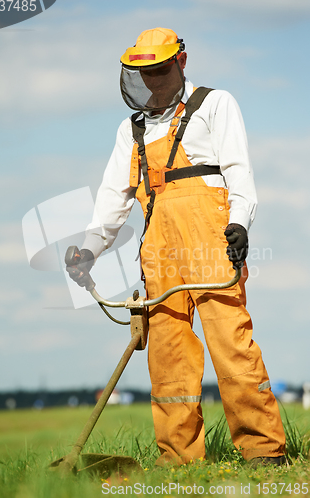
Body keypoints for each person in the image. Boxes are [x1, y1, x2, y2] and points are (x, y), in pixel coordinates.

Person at [66, 28, 286, 467]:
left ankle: (263, 452)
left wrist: (240, 225)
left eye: (160, 71)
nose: (152, 81)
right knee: (168, 359)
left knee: (232, 346)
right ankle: (179, 460)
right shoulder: (130, 131)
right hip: (158, 254)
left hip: (211, 245)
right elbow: (112, 201)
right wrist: (89, 249)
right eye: (143, 73)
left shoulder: (214, 105)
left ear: (181, 63)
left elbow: (239, 174)